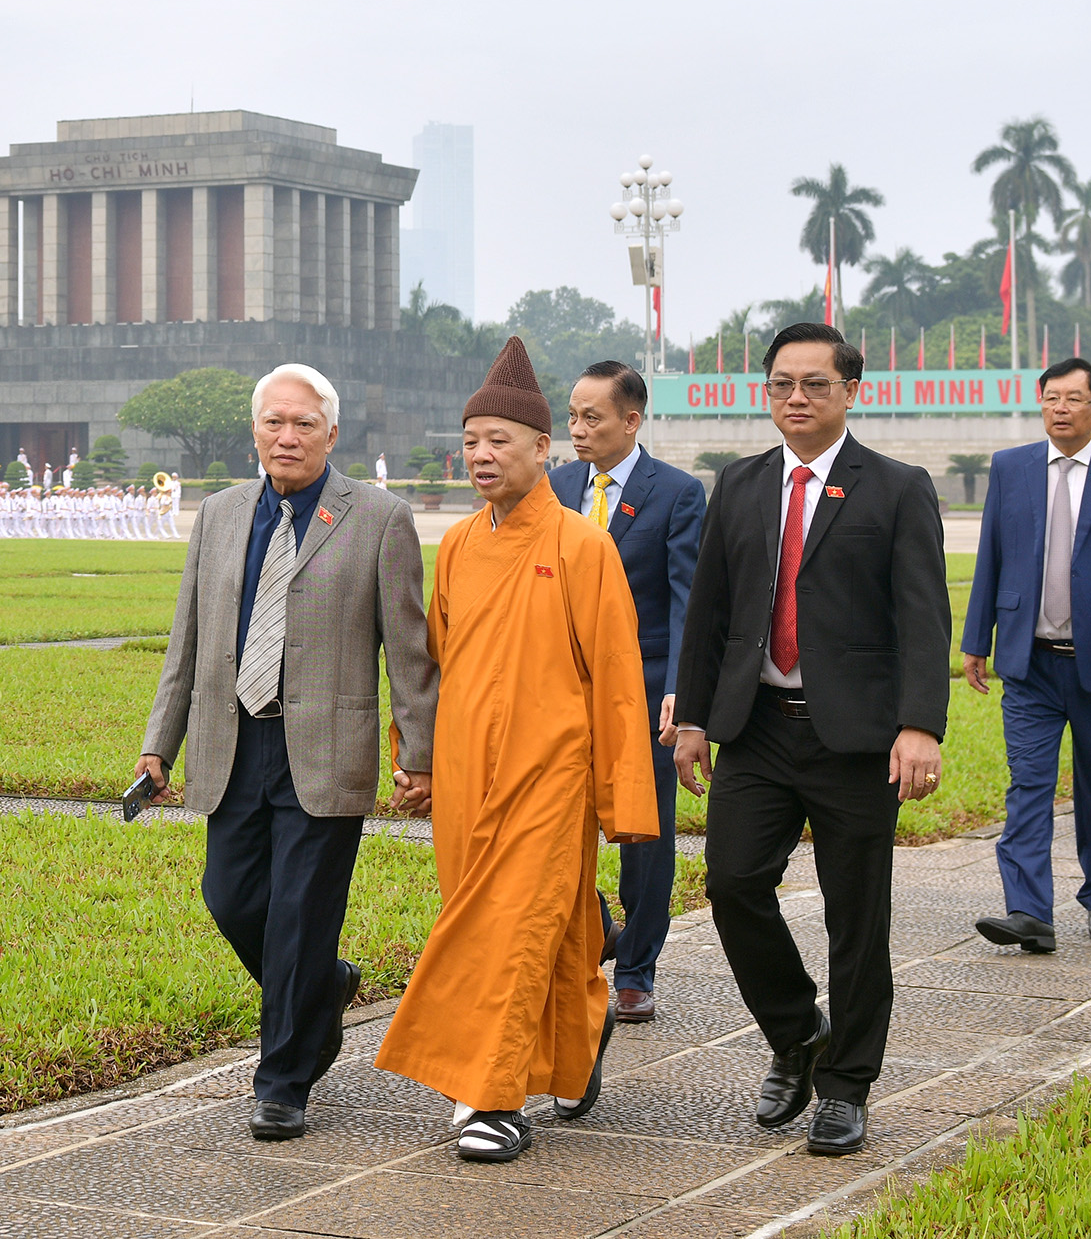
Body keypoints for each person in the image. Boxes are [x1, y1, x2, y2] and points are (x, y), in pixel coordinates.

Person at [140, 363, 437, 1145]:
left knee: (300, 917)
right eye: (274, 422)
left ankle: (282, 1083)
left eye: (304, 423)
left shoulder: (378, 517)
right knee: (232, 900)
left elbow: (408, 651)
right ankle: (326, 991)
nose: (288, 436)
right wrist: (156, 747)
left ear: (332, 433)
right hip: (231, 742)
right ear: (255, 431)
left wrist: (422, 753)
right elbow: (188, 639)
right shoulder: (222, 514)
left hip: (325, 749)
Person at [673, 322, 948, 1158]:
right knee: (732, 884)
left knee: (856, 919)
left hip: (857, 740)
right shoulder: (742, 484)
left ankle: (845, 1086)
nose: (797, 398)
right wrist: (690, 716)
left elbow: (923, 617)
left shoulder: (896, 488)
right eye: (783, 384)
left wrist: (918, 726)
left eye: (815, 384)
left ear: (849, 390)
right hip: (756, 729)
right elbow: (711, 610)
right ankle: (797, 1033)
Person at [377, 337, 655, 1164]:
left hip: (550, 776)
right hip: (467, 775)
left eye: (500, 441)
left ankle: (490, 1097)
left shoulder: (581, 545)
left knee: (510, 929)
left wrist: (623, 798)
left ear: (544, 450)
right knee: (546, 928)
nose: (481, 456)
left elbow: (615, 679)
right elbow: (433, 664)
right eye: (470, 442)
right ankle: (580, 1029)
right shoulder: (458, 545)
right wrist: (420, 760)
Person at [962, 357, 1091, 953]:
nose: (1060, 408)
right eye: (1051, 397)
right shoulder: (1011, 468)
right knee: (1027, 782)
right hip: (1030, 662)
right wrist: (977, 639)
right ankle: (1029, 911)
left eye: (1073, 398)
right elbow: (992, 554)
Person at [550, 358, 703, 1023]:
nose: (577, 430)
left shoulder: (677, 493)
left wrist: (680, 691)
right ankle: (590, 935)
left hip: (643, 692)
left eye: (593, 417)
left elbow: (685, 600)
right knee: (556, 827)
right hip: (560, 692)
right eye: (573, 417)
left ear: (631, 420)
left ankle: (636, 966)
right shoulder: (553, 486)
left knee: (644, 832)